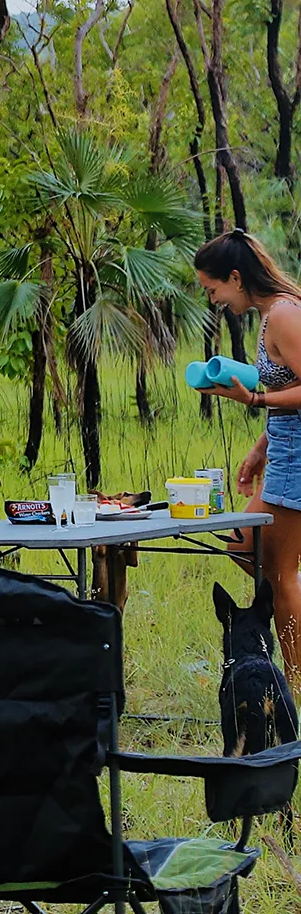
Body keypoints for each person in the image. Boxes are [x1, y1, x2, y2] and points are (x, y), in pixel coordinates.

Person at [195, 228, 301, 681]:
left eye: (212, 288)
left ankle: (295, 685)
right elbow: (288, 386)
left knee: (281, 575)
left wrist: (255, 402)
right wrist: (262, 446)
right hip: (284, 450)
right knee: (243, 546)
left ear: (236, 278)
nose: (213, 298)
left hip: (298, 459)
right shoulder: (269, 315)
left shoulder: (283, 315)